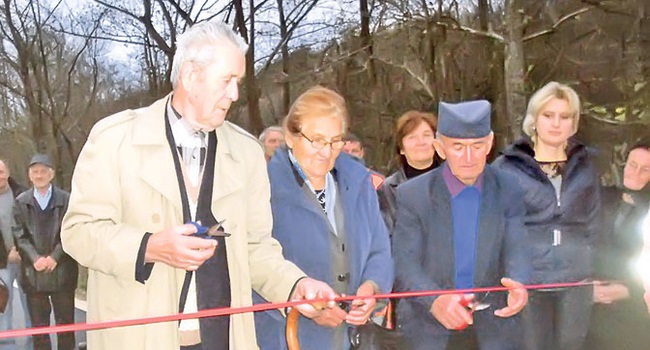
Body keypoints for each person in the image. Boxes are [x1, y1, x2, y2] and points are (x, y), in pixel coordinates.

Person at [60, 21, 336, 350]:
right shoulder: (114, 139)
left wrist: (295, 284)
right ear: (191, 77)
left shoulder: (247, 152)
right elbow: (78, 232)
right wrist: (149, 246)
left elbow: (256, 249)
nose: (235, 94)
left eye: (238, 82)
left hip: (224, 340)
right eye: (227, 81)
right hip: (135, 340)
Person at [254, 86, 393, 349]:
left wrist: (372, 288)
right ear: (291, 137)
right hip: (287, 337)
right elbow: (252, 264)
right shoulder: (264, 188)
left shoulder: (360, 182)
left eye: (335, 141)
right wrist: (307, 308)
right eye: (316, 140)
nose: (326, 151)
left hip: (356, 339)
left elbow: (380, 247)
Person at [393, 100, 529, 350]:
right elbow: (404, 262)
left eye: (477, 146)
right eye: (457, 147)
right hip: (429, 327)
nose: (469, 157)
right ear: (440, 148)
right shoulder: (412, 195)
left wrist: (518, 282)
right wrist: (435, 301)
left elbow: (516, 246)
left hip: (495, 325)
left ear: (489, 143)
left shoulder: (509, 188)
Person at [492, 81, 601, 350]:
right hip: (527, 281)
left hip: (576, 280)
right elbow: (495, 226)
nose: (556, 123)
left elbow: (595, 221)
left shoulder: (587, 165)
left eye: (564, 117)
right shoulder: (507, 167)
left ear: (573, 123)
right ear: (534, 119)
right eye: (548, 115)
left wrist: (597, 268)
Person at [583, 141, 650, 350]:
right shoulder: (602, 197)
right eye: (632, 164)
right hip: (589, 300)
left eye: (645, 169)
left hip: (633, 306)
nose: (636, 173)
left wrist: (628, 290)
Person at [13, 154, 77, 350]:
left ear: (52, 174)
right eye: (35, 172)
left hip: (63, 271)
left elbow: (72, 231)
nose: (39, 175)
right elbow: (19, 235)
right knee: (39, 330)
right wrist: (35, 258)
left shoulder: (67, 200)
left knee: (66, 326)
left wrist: (55, 257)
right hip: (33, 275)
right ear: (29, 176)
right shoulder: (21, 201)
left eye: (43, 171)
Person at [377, 110, 441, 233]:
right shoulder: (387, 189)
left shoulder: (452, 181)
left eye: (427, 135)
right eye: (412, 137)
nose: (421, 142)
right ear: (401, 148)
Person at [0, 158, 31, 350]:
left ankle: (32, 340)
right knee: (3, 304)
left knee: (30, 301)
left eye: (1, 172)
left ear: (8, 172)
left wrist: (19, 249)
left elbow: (30, 225)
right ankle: (6, 342)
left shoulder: (22, 194)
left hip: (25, 257)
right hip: (1, 262)